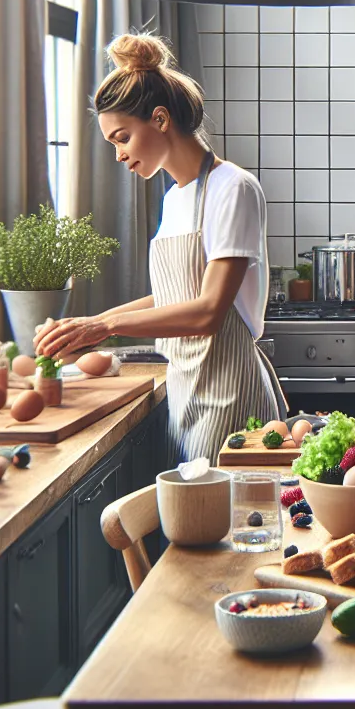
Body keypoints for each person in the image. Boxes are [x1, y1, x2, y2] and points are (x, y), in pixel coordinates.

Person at [36, 33, 282, 465]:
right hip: (185, 391)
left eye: (123, 137)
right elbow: (176, 295)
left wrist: (104, 328)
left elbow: (207, 313)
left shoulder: (232, 188)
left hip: (231, 396)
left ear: (161, 120)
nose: (119, 155)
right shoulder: (174, 198)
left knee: (228, 527)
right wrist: (92, 322)